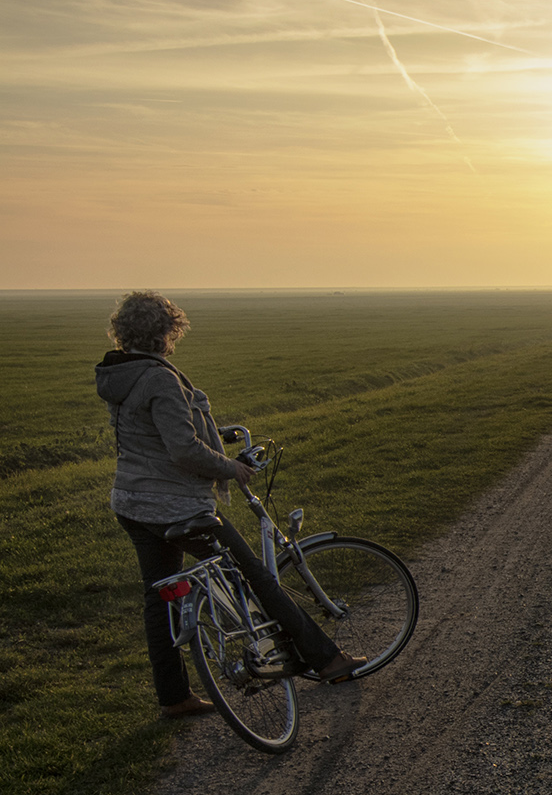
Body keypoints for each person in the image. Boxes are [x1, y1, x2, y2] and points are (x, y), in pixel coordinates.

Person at [97, 291, 364, 720]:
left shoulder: (120, 373)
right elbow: (182, 450)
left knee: (159, 599)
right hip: (177, 506)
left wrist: (212, 434)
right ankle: (328, 660)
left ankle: (174, 698)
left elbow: (152, 432)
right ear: (165, 332)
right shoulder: (160, 377)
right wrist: (230, 469)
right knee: (256, 576)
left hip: (131, 504)